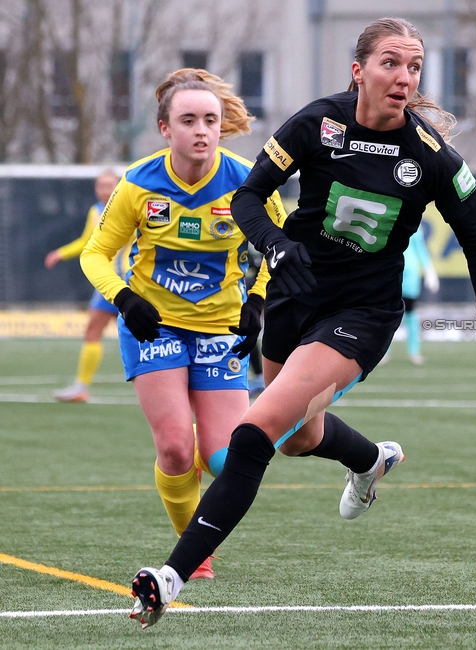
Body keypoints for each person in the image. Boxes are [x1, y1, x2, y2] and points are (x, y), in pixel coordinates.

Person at [127, 17, 476, 629]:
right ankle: (370, 460)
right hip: (294, 297)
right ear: (358, 70)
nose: (405, 77)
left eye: (414, 66)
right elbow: (248, 197)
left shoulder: (433, 157)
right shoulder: (317, 123)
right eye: (391, 63)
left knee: (253, 436)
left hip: (362, 316)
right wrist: (275, 246)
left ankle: (170, 577)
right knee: (301, 437)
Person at [80, 68, 286, 581]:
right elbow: (96, 255)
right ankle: (194, 553)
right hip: (155, 326)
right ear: (165, 128)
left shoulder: (251, 183)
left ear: (221, 127)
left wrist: (257, 304)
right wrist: (125, 298)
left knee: (223, 459)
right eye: (188, 119)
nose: (201, 129)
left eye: (210, 120)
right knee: (175, 447)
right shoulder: (137, 184)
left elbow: (279, 252)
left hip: (221, 328)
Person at [44, 170, 123, 403]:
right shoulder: (96, 210)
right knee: (92, 330)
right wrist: (61, 253)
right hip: (106, 283)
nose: (104, 189)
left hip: (134, 282)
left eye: (109, 185)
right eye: (100, 185)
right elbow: (88, 242)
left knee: (152, 335)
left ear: (118, 186)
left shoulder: (130, 204)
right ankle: (81, 387)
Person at [380, 228, 440, 365]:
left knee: (411, 313)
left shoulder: (415, 226)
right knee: (387, 314)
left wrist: (429, 270)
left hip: (410, 276)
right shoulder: (389, 219)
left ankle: (414, 351)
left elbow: (420, 248)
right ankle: (383, 352)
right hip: (391, 273)